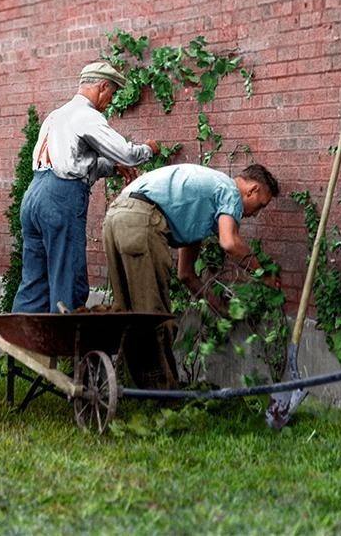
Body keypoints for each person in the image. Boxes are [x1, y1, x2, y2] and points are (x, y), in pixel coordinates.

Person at [103, 162, 279, 388]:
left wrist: (219, 306)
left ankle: (138, 388)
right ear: (252, 190)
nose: (255, 214)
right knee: (154, 315)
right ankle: (165, 394)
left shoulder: (201, 207)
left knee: (130, 313)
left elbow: (186, 274)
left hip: (116, 216)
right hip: (140, 220)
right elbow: (229, 242)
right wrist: (263, 275)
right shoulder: (230, 191)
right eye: (260, 205)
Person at [12, 61, 160, 314]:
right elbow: (126, 153)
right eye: (111, 94)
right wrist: (149, 150)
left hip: (34, 195)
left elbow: (79, 161)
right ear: (102, 87)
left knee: (34, 281)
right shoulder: (87, 115)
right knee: (68, 276)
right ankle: (68, 348)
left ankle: (21, 345)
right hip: (60, 198)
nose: (110, 102)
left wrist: (113, 168)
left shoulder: (56, 115)